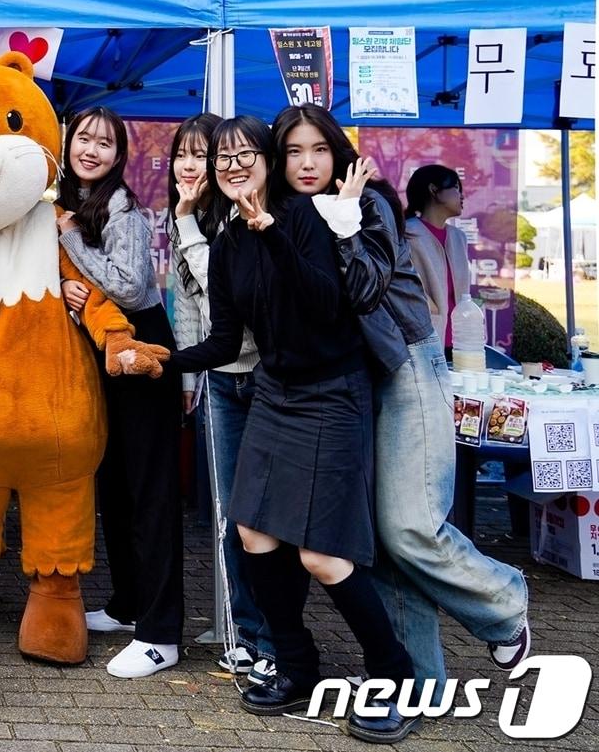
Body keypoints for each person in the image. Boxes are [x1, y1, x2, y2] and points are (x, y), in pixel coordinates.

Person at [158, 115, 418, 745]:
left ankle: (395, 677)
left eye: (248, 153)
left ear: (267, 162)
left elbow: (327, 303)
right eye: (224, 157)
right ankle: (297, 664)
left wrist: (271, 230)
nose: (234, 164)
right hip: (274, 391)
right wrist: (161, 357)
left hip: (333, 391)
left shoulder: (309, 216)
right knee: (252, 532)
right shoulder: (227, 245)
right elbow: (224, 339)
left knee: (322, 555)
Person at [273, 104, 530, 698]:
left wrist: (341, 226)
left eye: (318, 149)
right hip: (350, 383)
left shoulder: (369, 205)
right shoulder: (290, 216)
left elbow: (364, 290)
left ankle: (504, 599)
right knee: (382, 543)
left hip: (407, 367)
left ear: (338, 151)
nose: (307, 163)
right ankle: (421, 679)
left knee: (410, 524)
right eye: (293, 152)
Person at [54, 107, 182, 679]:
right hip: (98, 354)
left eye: (105, 143)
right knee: (116, 485)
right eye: (84, 138)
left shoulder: (123, 208)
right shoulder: (63, 199)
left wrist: (74, 242)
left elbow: (131, 286)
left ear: (119, 155)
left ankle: (162, 632)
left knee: (150, 492)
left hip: (141, 352)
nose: (93, 150)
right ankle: (129, 604)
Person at [164, 112, 274, 684]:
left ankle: (268, 635)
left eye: (202, 153)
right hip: (220, 375)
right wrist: (188, 378)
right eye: (182, 153)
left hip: (269, 375)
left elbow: (220, 288)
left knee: (263, 514)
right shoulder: (189, 214)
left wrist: (187, 224)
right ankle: (243, 633)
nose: (193, 164)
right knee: (231, 513)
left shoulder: (247, 213)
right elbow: (186, 303)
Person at [404, 164, 470, 351]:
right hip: (422, 342)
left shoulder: (459, 238)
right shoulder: (407, 234)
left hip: (459, 343)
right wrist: (429, 305)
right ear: (434, 190)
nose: (462, 196)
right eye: (456, 188)